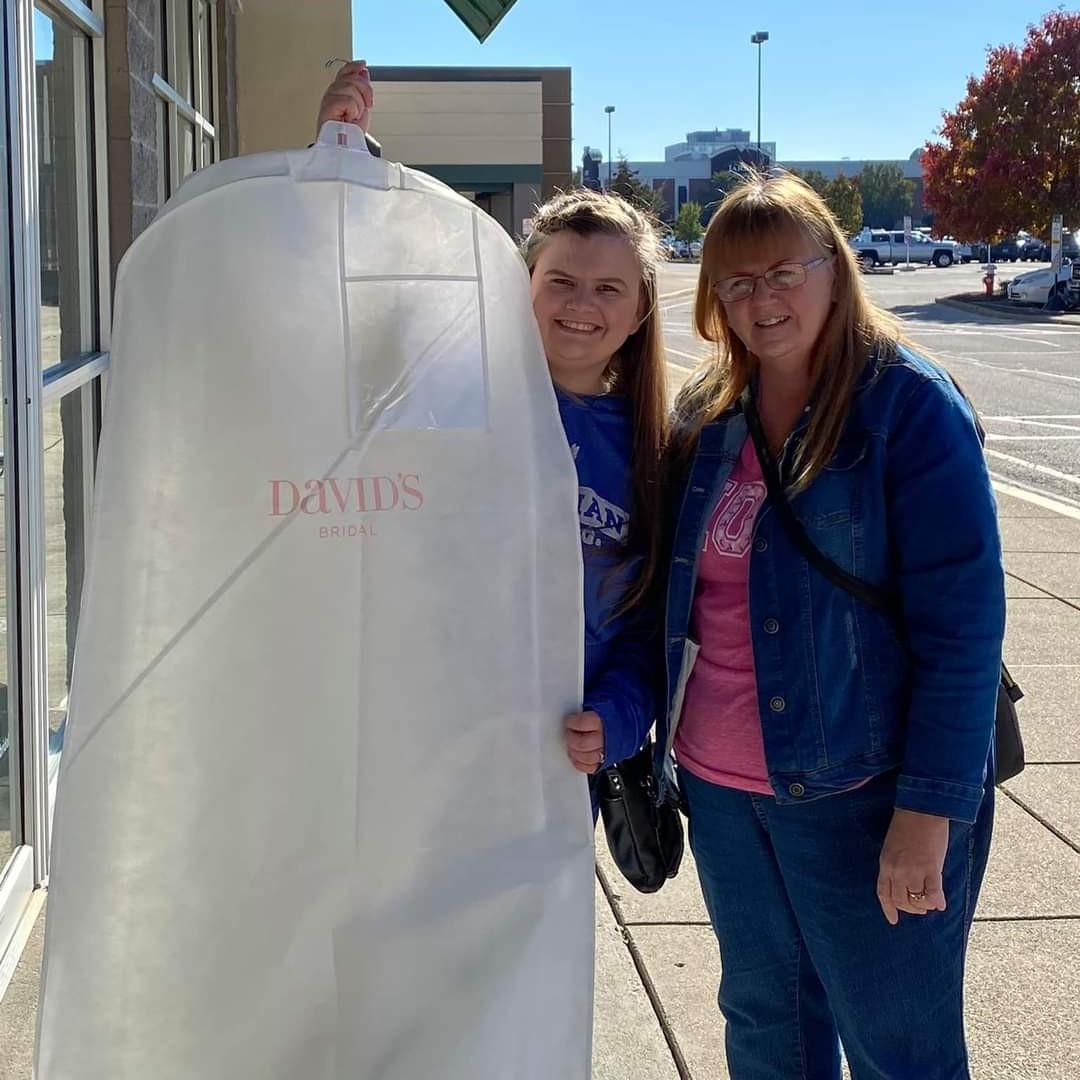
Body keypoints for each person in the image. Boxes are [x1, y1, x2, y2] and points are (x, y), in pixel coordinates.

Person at [658, 170, 1004, 1079]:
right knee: (767, 1027)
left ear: (835, 268)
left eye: (784, 272)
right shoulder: (709, 414)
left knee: (899, 1050)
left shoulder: (908, 409)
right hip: (722, 791)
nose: (760, 298)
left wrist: (929, 813)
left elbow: (964, 633)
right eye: (737, 281)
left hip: (862, 790)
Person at [318, 64, 666, 797]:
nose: (581, 305)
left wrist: (619, 718)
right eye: (560, 282)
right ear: (519, 288)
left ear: (639, 311)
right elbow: (349, 312)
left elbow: (650, 626)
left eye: (608, 289)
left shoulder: (657, 451)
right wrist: (340, 164)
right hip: (436, 733)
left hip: (559, 759)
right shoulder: (453, 401)